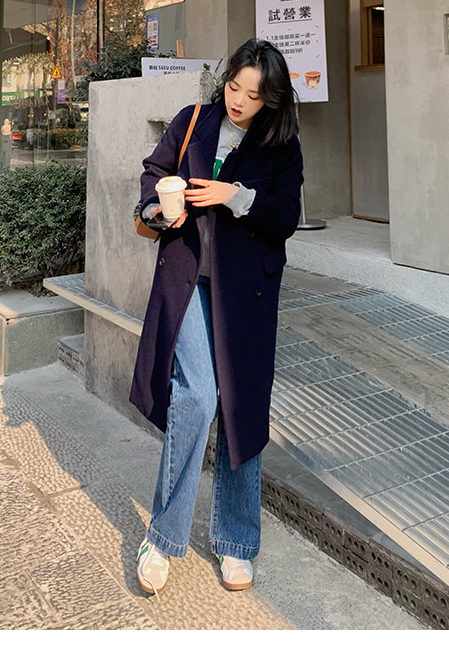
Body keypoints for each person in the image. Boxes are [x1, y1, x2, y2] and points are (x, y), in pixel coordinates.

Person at [130, 38, 303, 595]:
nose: (239, 101)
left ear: (270, 100)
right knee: (199, 396)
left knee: (241, 405)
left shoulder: (281, 144)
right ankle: (162, 537)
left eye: (253, 95)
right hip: (188, 281)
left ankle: (236, 541)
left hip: (246, 292)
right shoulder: (192, 121)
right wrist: (158, 208)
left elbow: (286, 216)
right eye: (233, 87)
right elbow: (154, 172)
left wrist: (236, 196)